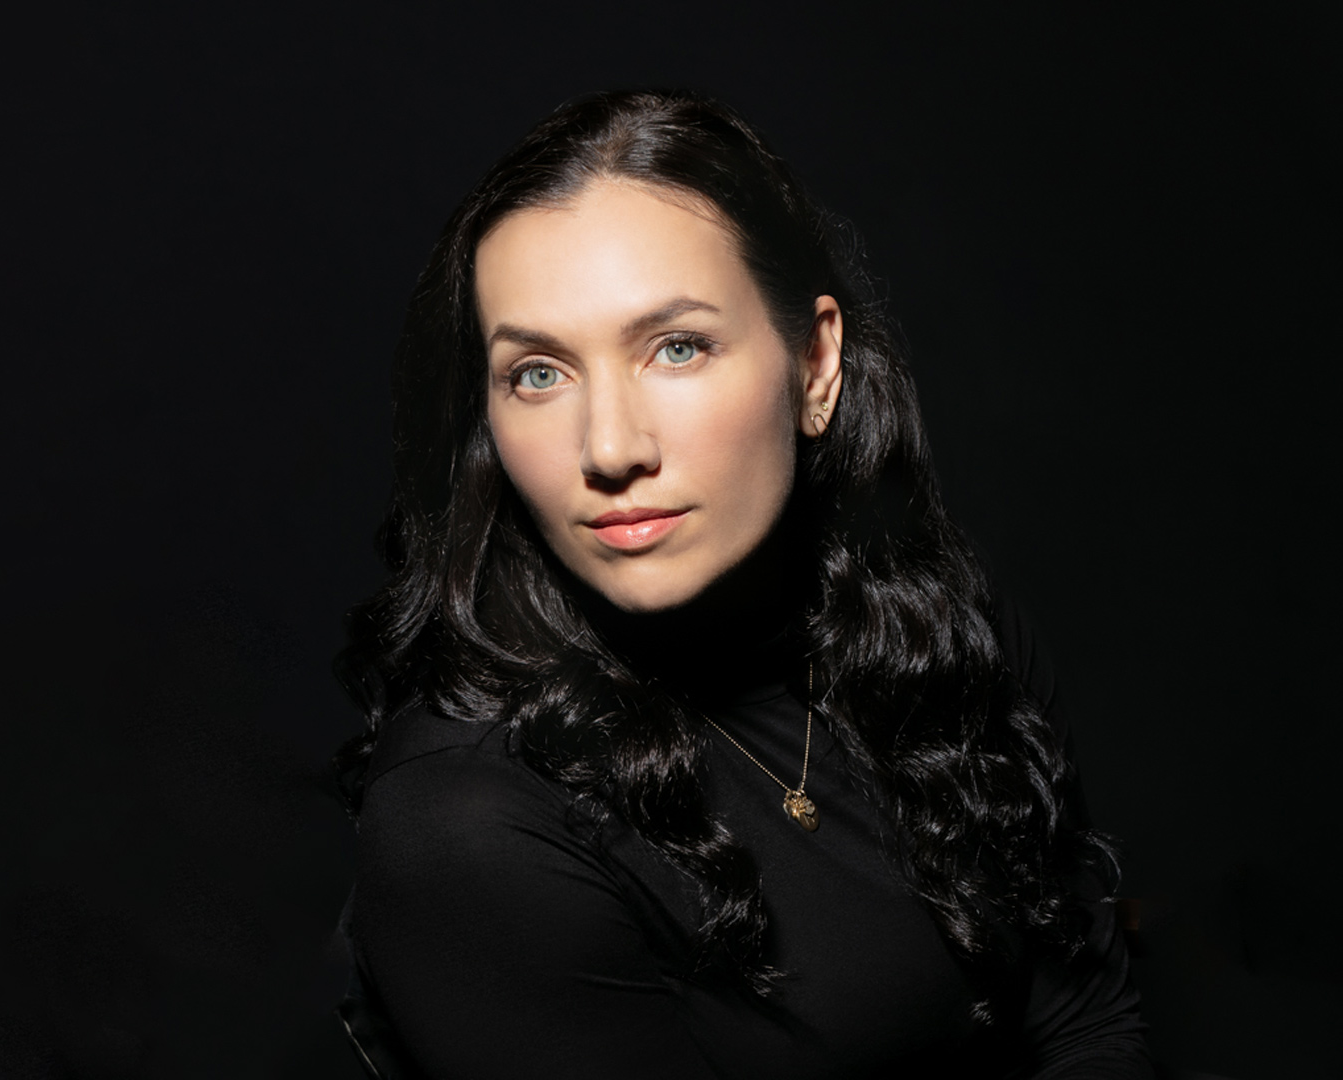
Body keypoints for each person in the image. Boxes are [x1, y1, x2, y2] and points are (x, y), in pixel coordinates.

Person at [333, 89, 1152, 1078]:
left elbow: (1083, 1022)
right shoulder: (464, 824)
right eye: (539, 373)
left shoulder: (934, 624)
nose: (609, 448)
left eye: (676, 348)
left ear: (815, 366)